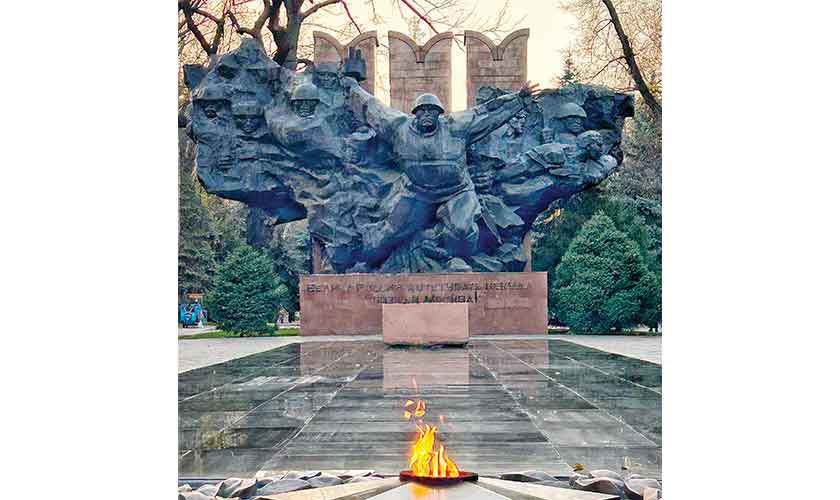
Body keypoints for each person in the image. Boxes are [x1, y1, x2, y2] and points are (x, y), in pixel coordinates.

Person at [344, 78, 540, 261]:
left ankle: (448, 255)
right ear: (415, 113)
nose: (427, 114)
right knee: (389, 234)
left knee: (462, 230)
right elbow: (373, 107)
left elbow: (486, 114)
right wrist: (352, 87)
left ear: (439, 113)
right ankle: (357, 256)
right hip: (417, 192)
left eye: (432, 111)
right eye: (423, 110)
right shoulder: (398, 127)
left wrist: (518, 100)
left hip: (457, 192)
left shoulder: (456, 127)